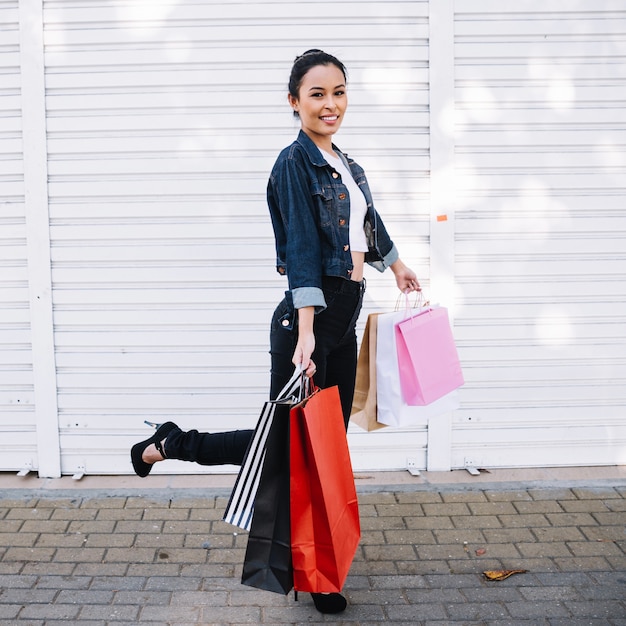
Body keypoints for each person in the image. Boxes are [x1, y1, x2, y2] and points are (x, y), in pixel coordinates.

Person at [131, 49, 420, 614]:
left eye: (338, 92)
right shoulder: (293, 164)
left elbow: (368, 223)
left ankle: (320, 572)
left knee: (322, 451)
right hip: (305, 322)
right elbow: (302, 251)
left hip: (343, 314)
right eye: (317, 94)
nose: (330, 103)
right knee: (284, 447)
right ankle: (169, 444)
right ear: (294, 102)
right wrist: (308, 332)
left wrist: (397, 263)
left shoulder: (345, 163)